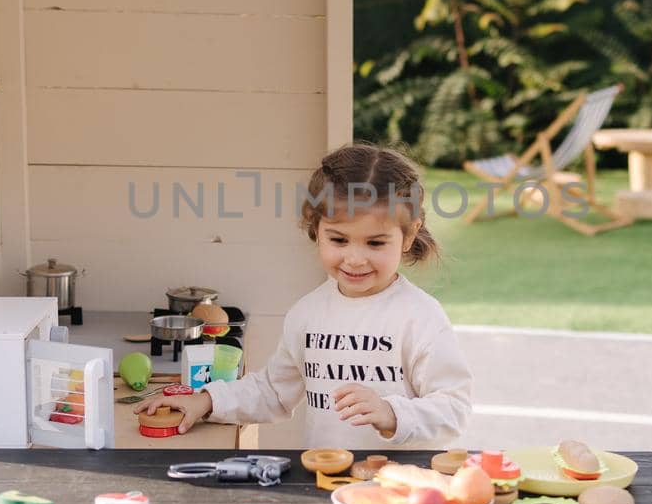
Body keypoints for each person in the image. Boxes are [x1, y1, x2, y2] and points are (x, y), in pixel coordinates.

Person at [135, 143, 472, 448]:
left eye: (375, 243)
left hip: (402, 496)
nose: (355, 258)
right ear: (316, 229)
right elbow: (272, 391)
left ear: (409, 236)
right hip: (325, 484)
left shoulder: (419, 317)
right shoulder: (308, 313)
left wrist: (391, 413)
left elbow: (454, 409)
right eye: (339, 240)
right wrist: (206, 400)